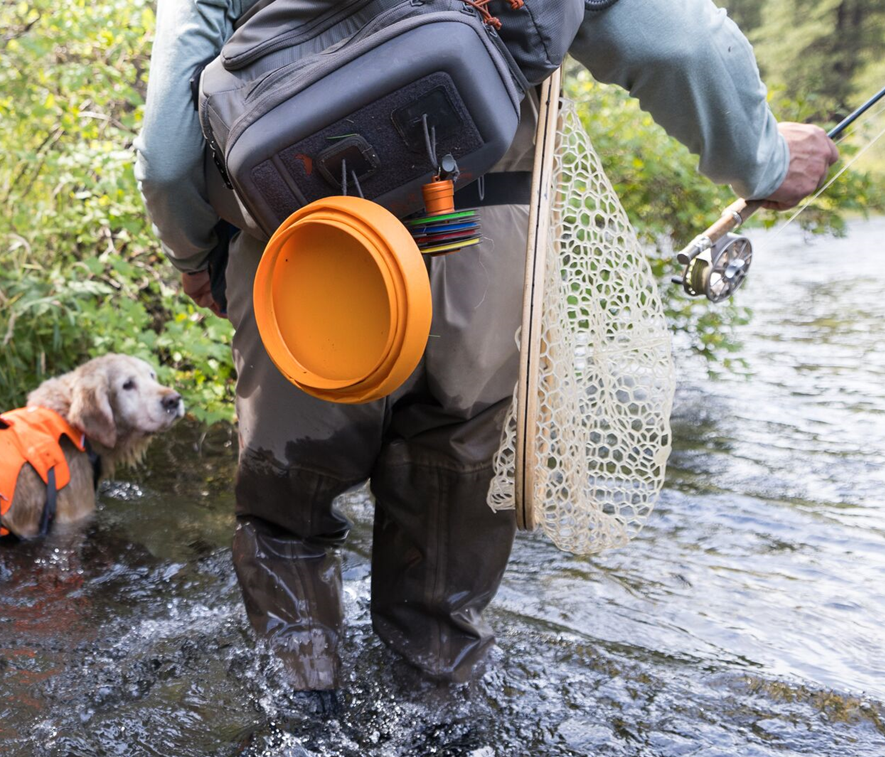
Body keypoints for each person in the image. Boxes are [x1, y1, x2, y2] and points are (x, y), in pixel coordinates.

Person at [136, 0, 838, 692]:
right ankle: (436, 752)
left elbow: (168, 160)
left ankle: (304, 728)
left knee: (287, 524)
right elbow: (680, 45)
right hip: (484, 238)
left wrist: (196, 254)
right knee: (448, 543)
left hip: (308, 257)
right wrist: (766, 162)